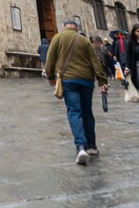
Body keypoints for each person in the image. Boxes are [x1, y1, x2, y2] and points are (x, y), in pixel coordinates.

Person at [45, 20, 108, 165]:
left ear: (65, 27)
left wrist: (50, 76)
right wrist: (102, 81)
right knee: (87, 112)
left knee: (74, 111)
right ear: (77, 28)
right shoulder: (85, 41)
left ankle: (80, 146)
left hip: (68, 80)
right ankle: (92, 146)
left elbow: (50, 60)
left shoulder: (58, 38)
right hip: (86, 80)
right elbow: (95, 62)